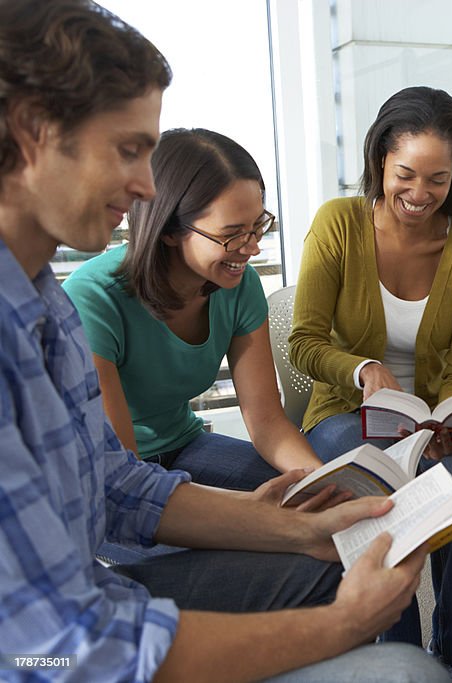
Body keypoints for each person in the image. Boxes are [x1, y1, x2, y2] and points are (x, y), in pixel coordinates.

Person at [0, 1, 447, 681]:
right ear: (33, 133)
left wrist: (297, 521)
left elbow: (118, 485)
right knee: (403, 669)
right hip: (81, 639)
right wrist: (342, 623)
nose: (145, 185)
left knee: (318, 532)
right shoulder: (81, 301)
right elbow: (60, 649)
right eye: (127, 150)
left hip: (121, 552)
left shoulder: (41, 304)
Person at [289, 86, 452, 683]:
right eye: (406, 174)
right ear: (380, 159)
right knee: (385, 479)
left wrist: (442, 424)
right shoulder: (339, 224)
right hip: (341, 415)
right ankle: (398, 647)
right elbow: (304, 341)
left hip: (429, 424)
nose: (420, 194)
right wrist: (362, 370)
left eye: (438, 179)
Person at [63, 128, 324, 501]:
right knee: (265, 535)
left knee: (310, 500)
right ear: (170, 230)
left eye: (257, 227)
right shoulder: (92, 300)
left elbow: (266, 420)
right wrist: (250, 511)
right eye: (232, 234)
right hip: (112, 483)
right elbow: (123, 481)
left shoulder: (239, 285)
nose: (251, 248)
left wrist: (323, 479)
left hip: (185, 446)